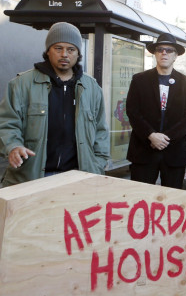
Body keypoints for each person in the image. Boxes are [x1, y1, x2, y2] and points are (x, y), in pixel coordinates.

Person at [0, 22, 109, 186]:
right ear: (48, 51)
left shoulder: (92, 87)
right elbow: (7, 123)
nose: (64, 54)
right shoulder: (21, 84)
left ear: (78, 53)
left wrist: (98, 163)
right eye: (58, 48)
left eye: (71, 49)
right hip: (32, 176)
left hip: (79, 177)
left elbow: (101, 130)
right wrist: (13, 146)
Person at [126, 33, 186, 189]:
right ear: (155, 54)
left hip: (175, 152)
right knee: (140, 200)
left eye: (169, 50)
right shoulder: (139, 80)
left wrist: (166, 138)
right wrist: (151, 135)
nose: (164, 53)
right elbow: (132, 111)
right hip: (144, 150)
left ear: (175, 56)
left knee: (171, 202)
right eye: (160, 49)